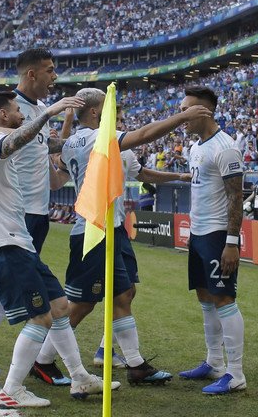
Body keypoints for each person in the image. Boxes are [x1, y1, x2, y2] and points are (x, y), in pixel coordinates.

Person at [36, 88, 208, 385]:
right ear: (94, 112)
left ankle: (136, 365)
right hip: (93, 230)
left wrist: (66, 120)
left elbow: (62, 159)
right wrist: (182, 116)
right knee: (81, 304)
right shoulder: (96, 138)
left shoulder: (74, 142)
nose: (113, 112)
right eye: (108, 107)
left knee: (123, 295)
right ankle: (42, 360)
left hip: (109, 228)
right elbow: (143, 135)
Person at [0, 91, 116, 408]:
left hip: (18, 244)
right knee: (40, 318)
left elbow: (35, 145)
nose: (21, 113)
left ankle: (79, 377)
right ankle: (12, 390)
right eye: (15, 109)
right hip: (7, 246)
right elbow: (14, 141)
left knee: (61, 306)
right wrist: (49, 112)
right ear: (4, 114)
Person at [0, 49, 85, 384]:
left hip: (35, 207)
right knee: (10, 280)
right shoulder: (7, 106)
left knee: (17, 282)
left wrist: (81, 141)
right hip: (18, 209)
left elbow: (47, 144)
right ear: (31, 74)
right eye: (50, 70)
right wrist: (28, 128)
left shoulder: (41, 109)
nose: (54, 77)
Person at [176, 86, 247, 396]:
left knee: (223, 299)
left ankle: (236, 373)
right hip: (198, 232)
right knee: (205, 297)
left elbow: (236, 196)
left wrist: (232, 242)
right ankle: (215, 362)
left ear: (203, 111)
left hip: (219, 234)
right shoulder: (196, 147)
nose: (181, 118)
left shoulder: (225, 147)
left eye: (186, 111)